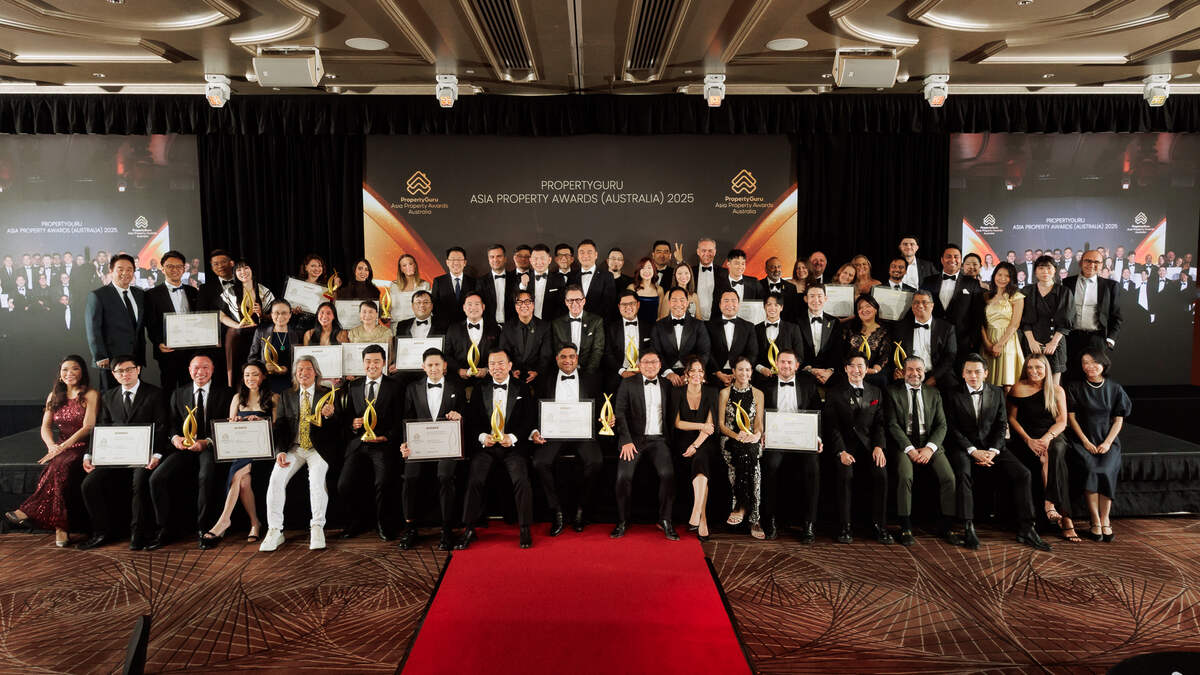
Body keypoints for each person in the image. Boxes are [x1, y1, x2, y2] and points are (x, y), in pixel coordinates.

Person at [945, 354, 1051, 552]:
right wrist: (973, 451)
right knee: (963, 474)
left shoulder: (996, 392)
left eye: (977, 372)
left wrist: (993, 451)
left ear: (986, 373)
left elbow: (1002, 425)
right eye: (969, 372)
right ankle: (968, 527)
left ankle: (1027, 529)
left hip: (992, 448)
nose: (973, 376)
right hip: (964, 447)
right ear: (963, 374)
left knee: (1023, 474)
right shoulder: (952, 394)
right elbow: (952, 428)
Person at [77, 355, 169, 550]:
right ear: (113, 374)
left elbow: (162, 427)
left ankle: (138, 533)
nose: (125, 374)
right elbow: (101, 428)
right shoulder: (108, 396)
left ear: (138, 370)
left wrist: (156, 455)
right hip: (114, 455)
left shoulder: (155, 394)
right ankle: (102, 532)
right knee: (89, 484)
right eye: (120, 371)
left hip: (144, 455)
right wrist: (89, 455)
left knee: (140, 481)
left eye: (129, 369)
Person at [5, 355, 98, 547]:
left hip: (83, 446)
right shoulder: (53, 396)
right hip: (60, 448)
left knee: (59, 465)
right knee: (57, 466)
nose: (69, 373)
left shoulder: (90, 394)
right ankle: (60, 527)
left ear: (82, 372)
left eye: (75, 369)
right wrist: (51, 446)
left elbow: (88, 427)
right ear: (60, 374)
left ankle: (29, 512)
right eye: (65, 369)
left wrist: (62, 447)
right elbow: (45, 427)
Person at [457, 348, 537, 550]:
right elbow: (472, 420)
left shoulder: (523, 388)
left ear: (510, 366)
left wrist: (513, 437)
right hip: (487, 446)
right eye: (492, 363)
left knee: (521, 479)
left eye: (501, 363)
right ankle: (469, 528)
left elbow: (530, 419)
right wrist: (483, 437)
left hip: (513, 447)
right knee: (475, 479)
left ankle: (525, 527)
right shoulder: (479, 387)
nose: (496, 367)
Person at [150, 355, 233, 549]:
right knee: (157, 478)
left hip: (211, 446)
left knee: (205, 476)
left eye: (205, 367)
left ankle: (204, 528)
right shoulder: (178, 393)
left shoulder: (226, 394)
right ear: (189, 370)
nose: (200, 372)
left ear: (212, 370)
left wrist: (207, 442)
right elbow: (171, 423)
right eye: (196, 368)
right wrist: (175, 438)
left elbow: (227, 425)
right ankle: (165, 529)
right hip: (184, 448)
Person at [258, 355, 338, 552]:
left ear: (316, 372)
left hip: (318, 449)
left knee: (316, 481)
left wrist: (330, 416)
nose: (304, 373)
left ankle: (317, 527)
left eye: (308, 369)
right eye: (300, 369)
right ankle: (275, 530)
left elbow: (339, 427)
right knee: (276, 479)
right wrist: (280, 451)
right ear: (295, 373)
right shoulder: (287, 395)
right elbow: (280, 425)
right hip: (294, 448)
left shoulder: (327, 394)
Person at [199, 361, 276, 549]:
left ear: (263, 376)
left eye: (255, 374)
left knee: (238, 474)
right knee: (243, 482)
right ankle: (255, 523)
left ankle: (224, 521)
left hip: (262, 450)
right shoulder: (237, 398)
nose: (251, 378)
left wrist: (261, 421)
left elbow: (277, 427)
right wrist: (234, 422)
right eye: (247, 375)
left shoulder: (274, 398)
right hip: (241, 449)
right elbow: (229, 428)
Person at [531, 344, 604, 536]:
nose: (568, 360)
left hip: (583, 432)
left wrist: (605, 419)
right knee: (539, 462)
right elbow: (533, 409)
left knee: (596, 461)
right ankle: (557, 512)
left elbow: (600, 407)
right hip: (553, 433)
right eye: (563, 356)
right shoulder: (544, 379)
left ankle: (581, 510)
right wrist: (535, 432)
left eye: (572, 356)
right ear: (557, 359)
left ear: (577, 358)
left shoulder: (591, 379)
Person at [886, 356, 958, 547]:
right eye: (910, 369)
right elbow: (892, 425)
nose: (914, 373)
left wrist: (929, 448)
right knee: (905, 476)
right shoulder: (892, 392)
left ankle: (947, 526)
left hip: (929, 443)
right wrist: (910, 449)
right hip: (904, 443)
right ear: (903, 372)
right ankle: (905, 526)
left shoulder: (934, 393)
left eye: (918, 369)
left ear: (924, 372)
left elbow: (942, 425)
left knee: (949, 477)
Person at [398, 348, 465, 551]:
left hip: (447, 446)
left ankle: (447, 528)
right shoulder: (412, 388)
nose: (434, 368)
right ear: (423, 367)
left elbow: (465, 414)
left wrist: (459, 416)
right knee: (410, 476)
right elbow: (407, 418)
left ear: (445, 366)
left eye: (437, 364)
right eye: (430, 365)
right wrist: (404, 443)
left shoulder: (457, 387)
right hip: (420, 446)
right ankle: (410, 527)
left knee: (445, 476)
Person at [1007, 354, 1078, 542]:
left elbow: (1062, 421)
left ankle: (1050, 505)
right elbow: (1011, 418)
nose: (1034, 371)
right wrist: (1028, 440)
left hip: (1052, 434)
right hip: (1027, 436)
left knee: (1054, 451)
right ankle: (1065, 518)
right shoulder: (1018, 388)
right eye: (1030, 367)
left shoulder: (1057, 390)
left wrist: (1047, 439)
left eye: (1038, 367)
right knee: (1050, 458)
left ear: (1046, 369)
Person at [337, 344, 402, 540]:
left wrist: (387, 437)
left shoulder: (395, 386)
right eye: (368, 361)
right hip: (359, 443)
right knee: (344, 484)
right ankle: (357, 522)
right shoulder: (354, 386)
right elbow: (347, 417)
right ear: (363, 363)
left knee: (383, 482)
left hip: (383, 443)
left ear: (384, 363)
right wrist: (353, 424)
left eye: (376, 361)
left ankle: (383, 524)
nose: (372, 365)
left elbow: (400, 418)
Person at [1066, 349, 1132, 543]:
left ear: (1104, 364)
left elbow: (1118, 420)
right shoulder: (1074, 387)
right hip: (1082, 440)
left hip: (1107, 440)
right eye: (1085, 363)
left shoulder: (1115, 388)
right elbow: (1071, 418)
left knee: (1105, 470)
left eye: (1094, 362)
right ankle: (1094, 519)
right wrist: (1085, 441)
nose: (1090, 366)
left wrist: (1108, 442)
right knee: (1092, 470)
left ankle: (1105, 519)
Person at [825, 354, 891, 545]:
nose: (856, 370)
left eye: (860, 366)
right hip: (846, 447)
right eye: (852, 366)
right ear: (846, 369)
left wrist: (879, 446)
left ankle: (879, 526)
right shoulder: (834, 392)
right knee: (845, 475)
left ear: (866, 369)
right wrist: (841, 452)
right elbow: (832, 427)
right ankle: (845, 526)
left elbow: (880, 424)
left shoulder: (876, 392)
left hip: (870, 447)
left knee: (881, 474)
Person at [612, 349, 678, 541]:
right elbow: (619, 412)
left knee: (668, 475)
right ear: (639, 365)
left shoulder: (667, 385)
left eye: (654, 362)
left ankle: (665, 520)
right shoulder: (628, 383)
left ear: (660, 365)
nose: (650, 366)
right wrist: (625, 440)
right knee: (623, 476)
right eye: (646, 362)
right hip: (633, 440)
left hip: (658, 440)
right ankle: (623, 520)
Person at [760, 350, 822, 542]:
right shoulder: (766, 386)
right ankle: (770, 520)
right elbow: (759, 414)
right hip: (776, 439)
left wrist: (817, 437)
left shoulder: (808, 384)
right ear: (776, 364)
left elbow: (818, 412)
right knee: (770, 465)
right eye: (782, 362)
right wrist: (762, 432)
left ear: (796, 366)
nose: (786, 365)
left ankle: (809, 523)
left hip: (802, 438)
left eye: (789, 362)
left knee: (812, 467)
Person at [718, 357, 766, 539]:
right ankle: (749, 512)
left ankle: (746, 511)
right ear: (733, 372)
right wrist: (736, 436)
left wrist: (756, 436)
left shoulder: (758, 393)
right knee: (743, 455)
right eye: (740, 369)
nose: (744, 373)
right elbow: (721, 425)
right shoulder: (724, 393)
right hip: (730, 438)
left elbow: (758, 423)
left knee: (752, 458)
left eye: (747, 370)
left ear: (751, 372)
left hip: (751, 439)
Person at [671, 356, 718, 541]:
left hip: (705, 440)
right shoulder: (677, 393)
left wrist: (695, 444)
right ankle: (702, 518)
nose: (697, 374)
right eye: (693, 370)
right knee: (699, 462)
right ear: (686, 373)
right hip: (683, 438)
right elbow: (677, 423)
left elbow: (710, 427)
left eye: (700, 371)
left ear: (704, 374)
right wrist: (699, 427)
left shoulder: (711, 392)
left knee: (700, 458)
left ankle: (698, 512)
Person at [85, 253, 147, 390]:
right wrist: (100, 356)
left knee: (134, 394)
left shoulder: (140, 294)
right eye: (120, 269)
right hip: (110, 360)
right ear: (111, 270)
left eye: (129, 269)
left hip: (135, 358)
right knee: (111, 396)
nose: (125, 273)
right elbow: (93, 329)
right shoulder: (98, 295)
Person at [144, 250, 201, 392]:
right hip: (168, 349)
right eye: (170, 266)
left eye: (178, 266)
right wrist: (159, 342)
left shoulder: (193, 291)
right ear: (162, 269)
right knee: (168, 388)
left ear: (184, 268)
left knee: (190, 388)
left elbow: (200, 318)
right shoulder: (151, 294)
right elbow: (151, 323)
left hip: (191, 349)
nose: (175, 270)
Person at [1063, 250, 1122, 381]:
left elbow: (1116, 316)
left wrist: (1110, 340)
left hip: (1097, 338)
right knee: (1070, 375)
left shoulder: (1110, 286)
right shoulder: (1066, 283)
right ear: (1081, 263)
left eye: (1096, 262)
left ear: (1102, 265)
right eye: (1088, 261)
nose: (1092, 265)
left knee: (1093, 377)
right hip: (1070, 337)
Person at [921, 244, 983, 367]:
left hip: (962, 340)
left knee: (959, 373)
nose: (952, 259)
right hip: (933, 337)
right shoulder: (928, 281)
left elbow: (978, 314)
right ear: (942, 259)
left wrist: (972, 340)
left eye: (956, 257)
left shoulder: (972, 283)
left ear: (961, 260)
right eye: (948, 256)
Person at [216, 260, 275, 387]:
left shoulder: (263, 290)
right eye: (239, 270)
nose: (243, 272)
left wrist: (261, 314)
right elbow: (220, 315)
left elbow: (274, 315)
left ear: (252, 270)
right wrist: (236, 325)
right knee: (238, 370)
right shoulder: (230, 292)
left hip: (260, 335)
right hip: (237, 336)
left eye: (246, 268)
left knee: (260, 368)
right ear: (235, 273)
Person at [1020, 255, 1074, 387]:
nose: (1045, 271)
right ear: (1035, 271)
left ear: (1055, 270)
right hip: (1032, 342)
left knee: (1054, 386)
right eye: (1041, 268)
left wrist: (1053, 343)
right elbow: (1023, 320)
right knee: (1033, 383)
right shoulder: (1027, 291)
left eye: (1049, 268)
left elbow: (1066, 321)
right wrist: (1031, 341)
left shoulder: (1064, 291)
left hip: (1055, 343)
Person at [651, 287, 711, 385]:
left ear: (687, 303)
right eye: (674, 300)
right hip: (665, 374)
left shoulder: (698, 325)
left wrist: (690, 373)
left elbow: (704, 352)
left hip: (693, 375)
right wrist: (668, 373)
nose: (678, 304)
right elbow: (655, 353)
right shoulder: (658, 326)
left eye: (682, 300)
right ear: (669, 303)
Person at [980, 262, 1024, 390]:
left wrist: (999, 344)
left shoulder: (1016, 296)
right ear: (994, 275)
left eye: (1007, 276)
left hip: (1007, 341)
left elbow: (1015, 323)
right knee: (986, 382)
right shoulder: (986, 296)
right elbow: (980, 322)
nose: (1002, 279)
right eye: (999, 274)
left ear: (1012, 278)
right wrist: (987, 343)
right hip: (988, 340)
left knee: (1007, 383)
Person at [499, 289, 552, 388]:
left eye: (527, 301)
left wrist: (537, 371)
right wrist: (512, 370)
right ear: (515, 306)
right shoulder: (507, 327)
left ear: (533, 304)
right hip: (513, 375)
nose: (523, 305)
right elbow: (504, 352)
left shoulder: (544, 327)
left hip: (538, 375)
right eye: (519, 302)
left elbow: (546, 355)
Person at [603, 290, 655, 393]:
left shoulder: (649, 327)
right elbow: (608, 354)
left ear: (638, 305)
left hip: (644, 373)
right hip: (619, 373)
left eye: (632, 303)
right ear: (619, 307)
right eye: (624, 304)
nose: (628, 307)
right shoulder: (611, 328)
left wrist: (643, 368)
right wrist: (622, 371)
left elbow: (653, 350)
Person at [445, 292, 501, 385]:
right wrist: (458, 370)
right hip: (459, 381)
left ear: (483, 307)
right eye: (469, 304)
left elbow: (500, 353)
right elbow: (447, 354)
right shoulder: (453, 329)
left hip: (488, 381)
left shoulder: (495, 329)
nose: (473, 308)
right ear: (464, 307)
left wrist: (487, 369)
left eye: (477, 304)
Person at [838, 294, 891, 390]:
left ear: (876, 309)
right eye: (860, 308)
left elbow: (884, 355)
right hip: (850, 370)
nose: (864, 310)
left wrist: (874, 370)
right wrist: (851, 368)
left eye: (868, 306)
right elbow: (842, 352)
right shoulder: (848, 328)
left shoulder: (885, 330)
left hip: (873, 372)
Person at [707, 290, 758, 386]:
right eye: (726, 301)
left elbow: (752, 353)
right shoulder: (708, 326)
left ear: (738, 304)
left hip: (741, 375)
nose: (730, 304)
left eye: (733, 301)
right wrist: (718, 373)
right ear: (720, 304)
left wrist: (739, 373)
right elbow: (707, 351)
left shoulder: (749, 327)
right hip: (715, 375)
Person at [551, 285, 605, 375]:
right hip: (563, 371)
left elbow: (597, 350)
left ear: (584, 301)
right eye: (570, 300)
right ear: (566, 302)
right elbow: (556, 350)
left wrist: (588, 372)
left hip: (588, 371)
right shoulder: (557, 324)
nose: (574, 304)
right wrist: (566, 370)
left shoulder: (596, 321)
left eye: (578, 300)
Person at [248, 300, 299, 393]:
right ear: (271, 315)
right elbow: (252, 359)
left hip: (290, 380)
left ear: (290, 315)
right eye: (276, 313)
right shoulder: (261, 331)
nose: (280, 316)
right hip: (266, 379)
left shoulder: (297, 333)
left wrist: (287, 369)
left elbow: (301, 360)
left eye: (284, 313)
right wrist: (264, 367)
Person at [753, 293, 803, 385]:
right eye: (769, 304)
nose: (772, 308)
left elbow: (799, 356)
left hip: (788, 378)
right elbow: (752, 355)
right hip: (761, 379)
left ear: (781, 307)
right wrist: (761, 369)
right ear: (764, 307)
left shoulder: (793, 328)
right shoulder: (755, 329)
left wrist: (786, 369)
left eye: (776, 305)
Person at [798, 285, 839, 386]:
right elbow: (795, 350)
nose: (816, 300)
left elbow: (838, 350)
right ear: (806, 299)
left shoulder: (834, 322)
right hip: (803, 373)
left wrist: (830, 370)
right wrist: (809, 369)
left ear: (825, 298)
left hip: (828, 375)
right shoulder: (796, 322)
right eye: (812, 296)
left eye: (819, 296)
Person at [430, 247, 476, 331]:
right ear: (447, 262)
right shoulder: (438, 281)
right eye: (453, 259)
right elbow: (434, 306)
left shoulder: (474, 282)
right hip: (445, 328)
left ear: (465, 262)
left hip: (468, 327)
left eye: (459, 259)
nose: (456, 262)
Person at [520, 244, 567, 321]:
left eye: (542, 258)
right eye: (535, 258)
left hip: (551, 323)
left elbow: (562, 305)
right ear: (530, 260)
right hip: (528, 323)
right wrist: (523, 285)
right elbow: (516, 301)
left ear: (549, 260)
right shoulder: (523, 278)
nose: (539, 262)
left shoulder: (559, 279)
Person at [574, 239, 615, 321]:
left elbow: (609, 305)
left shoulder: (607, 276)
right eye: (582, 252)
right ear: (578, 256)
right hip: (575, 322)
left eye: (589, 252)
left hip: (598, 323)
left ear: (596, 255)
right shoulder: (572, 276)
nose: (585, 255)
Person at [478, 243, 516, 327]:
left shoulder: (515, 279)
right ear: (488, 259)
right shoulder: (481, 282)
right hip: (489, 327)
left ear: (505, 259)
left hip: (512, 326)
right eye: (492, 257)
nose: (495, 260)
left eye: (499, 256)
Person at [289, 253, 328, 332]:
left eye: (320, 266)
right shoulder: (296, 285)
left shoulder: (326, 288)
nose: (317, 268)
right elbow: (288, 306)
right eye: (313, 266)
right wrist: (292, 309)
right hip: (299, 327)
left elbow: (331, 307)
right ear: (306, 267)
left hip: (319, 327)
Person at [388, 253, 432, 323]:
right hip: (398, 323)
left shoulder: (425, 285)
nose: (408, 267)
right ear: (401, 269)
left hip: (418, 324)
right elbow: (392, 307)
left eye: (410, 264)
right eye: (404, 265)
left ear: (415, 265)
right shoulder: (394, 285)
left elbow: (428, 307)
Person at [628, 257, 666, 325]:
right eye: (643, 268)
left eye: (649, 268)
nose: (646, 271)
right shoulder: (632, 288)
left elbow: (660, 314)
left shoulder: (659, 289)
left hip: (654, 326)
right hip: (636, 326)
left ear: (654, 270)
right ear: (639, 271)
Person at [693, 237, 722, 321]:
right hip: (695, 321)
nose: (707, 253)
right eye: (703, 250)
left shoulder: (723, 273)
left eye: (710, 251)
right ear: (698, 252)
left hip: (716, 321)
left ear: (715, 252)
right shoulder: (690, 272)